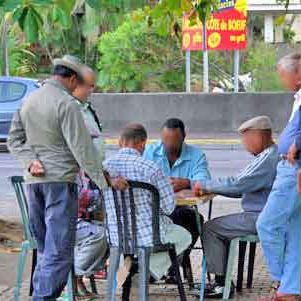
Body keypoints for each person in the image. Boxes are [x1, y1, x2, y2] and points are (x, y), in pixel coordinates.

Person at [7, 55, 126, 301]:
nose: (79, 89)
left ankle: (39, 296)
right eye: (79, 84)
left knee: (46, 250)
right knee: (59, 252)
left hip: (34, 184)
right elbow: (82, 150)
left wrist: (30, 161)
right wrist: (104, 183)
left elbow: (14, 140)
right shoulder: (67, 104)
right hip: (60, 183)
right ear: (72, 79)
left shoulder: (28, 99)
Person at [256, 46, 301, 301]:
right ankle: (289, 289)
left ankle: (279, 278)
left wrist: (297, 144)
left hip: (296, 168)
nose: (285, 78)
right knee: (294, 231)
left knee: (266, 224)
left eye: (297, 71)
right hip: (296, 166)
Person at [192, 116, 279, 298]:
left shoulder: (268, 159)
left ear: (257, 136)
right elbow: (240, 186)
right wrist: (214, 187)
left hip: (260, 216)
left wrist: (206, 185)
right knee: (217, 225)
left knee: (211, 228)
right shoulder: (267, 156)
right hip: (262, 214)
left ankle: (221, 284)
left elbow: (238, 184)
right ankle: (221, 279)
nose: (244, 144)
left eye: (245, 139)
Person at [102, 124, 192, 280]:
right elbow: (168, 207)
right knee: (184, 236)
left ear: (120, 142)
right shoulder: (150, 167)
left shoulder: (104, 169)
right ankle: (143, 269)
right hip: (148, 236)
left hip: (115, 236)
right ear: (143, 144)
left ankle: (135, 268)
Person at [143, 118, 210, 280]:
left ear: (183, 137)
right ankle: (161, 268)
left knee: (194, 220)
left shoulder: (196, 155)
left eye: (174, 140)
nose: (169, 144)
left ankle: (172, 267)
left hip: (180, 208)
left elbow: (205, 181)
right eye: (165, 140)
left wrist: (186, 182)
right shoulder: (151, 152)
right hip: (153, 209)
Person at [72, 67, 109, 297]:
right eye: (89, 85)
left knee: (113, 230)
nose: (92, 89)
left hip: (91, 175)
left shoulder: (87, 109)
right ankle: (74, 274)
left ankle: (81, 274)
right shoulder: (70, 110)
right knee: (104, 234)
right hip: (79, 185)